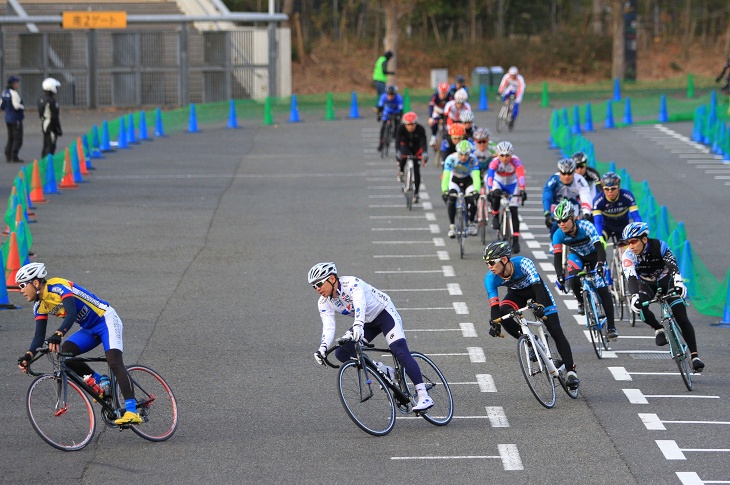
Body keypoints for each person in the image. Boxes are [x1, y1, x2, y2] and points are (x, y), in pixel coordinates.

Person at [15, 262, 143, 425]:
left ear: (35, 283)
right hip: (89, 328)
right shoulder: (39, 306)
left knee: (114, 361)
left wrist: (58, 334)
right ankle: (101, 382)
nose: (21, 290)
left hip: (106, 319)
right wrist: (29, 356)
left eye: (22, 285)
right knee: (66, 355)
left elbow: (71, 313)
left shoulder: (58, 286)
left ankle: (132, 411)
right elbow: (39, 336)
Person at [309, 262, 434, 411]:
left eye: (319, 284)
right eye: (314, 286)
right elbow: (328, 326)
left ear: (332, 278)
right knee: (342, 352)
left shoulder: (351, 283)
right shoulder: (324, 302)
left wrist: (358, 325)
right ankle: (384, 369)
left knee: (399, 350)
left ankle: (423, 395)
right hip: (367, 322)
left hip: (383, 313)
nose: (317, 289)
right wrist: (323, 348)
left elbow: (360, 303)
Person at [483, 241, 580, 389]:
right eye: (487, 263)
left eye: (491, 262)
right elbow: (495, 306)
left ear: (504, 260)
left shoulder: (523, 263)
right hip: (516, 294)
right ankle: (532, 342)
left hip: (536, 291)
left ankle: (571, 371)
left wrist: (540, 306)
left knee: (554, 329)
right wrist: (495, 322)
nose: (489, 266)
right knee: (503, 315)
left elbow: (538, 287)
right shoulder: (490, 278)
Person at [621, 222, 705, 372]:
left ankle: (694, 356)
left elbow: (672, 266)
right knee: (639, 306)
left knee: (681, 315)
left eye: (633, 241)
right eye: (628, 243)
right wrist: (634, 296)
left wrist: (679, 282)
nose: (631, 246)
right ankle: (658, 328)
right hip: (646, 284)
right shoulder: (627, 255)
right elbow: (631, 278)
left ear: (644, 239)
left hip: (667, 280)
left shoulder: (659, 246)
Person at [551, 200, 617, 340]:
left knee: (602, 288)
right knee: (573, 277)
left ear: (574, 218)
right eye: (559, 221)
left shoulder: (586, 226)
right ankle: (581, 301)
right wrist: (559, 275)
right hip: (577, 256)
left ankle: (611, 327)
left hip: (594, 255)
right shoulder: (558, 234)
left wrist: (600, 264)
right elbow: (557, 257)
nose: (562, 224)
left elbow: (599, 248)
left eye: (565, 220)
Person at [485, 141, 526, 254]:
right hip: (499, 183)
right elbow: (490, 177)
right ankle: (495, 215)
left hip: (512, 185)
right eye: (502, 155)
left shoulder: (516, 161)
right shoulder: (494, 162)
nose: (504, 158)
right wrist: (490, 190)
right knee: (496, 195)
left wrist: (522, 189)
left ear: (511, 155)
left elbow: (521, 175)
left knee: (514, 210)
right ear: (498, 155)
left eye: (507, 155)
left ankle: (516, 240)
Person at [542, 158, 592, 237]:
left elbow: (586, 197)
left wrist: (586, 213)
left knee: (576, 224)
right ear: (559, 173)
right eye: (563, 174)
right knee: (555, 224)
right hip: (557, 204)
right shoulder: (554, 179)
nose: (566, 177)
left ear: (573, 172)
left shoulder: (580, 180)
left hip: (573, 205)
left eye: (569, 174)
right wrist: (547, 213)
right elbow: (547, 196)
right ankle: (553, 244)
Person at [441, 140, 480, 238]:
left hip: (468, 180)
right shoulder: (450, 158)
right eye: (461, 154)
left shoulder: (473, 159)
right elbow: (446, 176)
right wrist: (444, 191)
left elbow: (476, 177)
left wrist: (477, 191)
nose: (463, 157)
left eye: (466, 155)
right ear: (457, 153)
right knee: (452, 199)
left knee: (473, 199)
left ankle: (471, 223)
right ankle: (452, 226)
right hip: (455, 180)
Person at [592, 171, 642, 243]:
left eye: (613, 188)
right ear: (603, 188)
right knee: (599, 245)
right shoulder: (598, 200)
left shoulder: (627, 196)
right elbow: (597, 222)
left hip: (623, 226)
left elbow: (636, 217)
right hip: (606, 227)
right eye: (606, 189)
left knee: (627, 249)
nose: (610, 192)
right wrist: (599, 237)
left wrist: (639, 231)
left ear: (619, 187)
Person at [394, 111, 428, 202]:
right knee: (403, 156)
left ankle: (416, 193)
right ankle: (401, 171)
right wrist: (397, 152)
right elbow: (397, 142)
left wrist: (424, 153)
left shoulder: (420, 129)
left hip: (416, 148)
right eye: (408, 125)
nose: (410, 127)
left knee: (417, 171)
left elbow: (423, 143)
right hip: (405, 146)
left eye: (412, 124)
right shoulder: (400, 128)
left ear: (416, 123)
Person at [1, 75, 25, 163]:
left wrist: (7, 109)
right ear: (12, 84)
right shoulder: (13, 93)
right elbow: (16, 106)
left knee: (10, 137)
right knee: (18, 138)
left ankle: (8, 155)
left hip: (8, 118)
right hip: (16, 118)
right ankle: (14, 155)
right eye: (16, 83)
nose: (17, 84)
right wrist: (22, 107)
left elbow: (1, 105)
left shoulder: (4, 92)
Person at [38, 77, 62, 158]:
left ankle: (44, 163)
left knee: (46, 144)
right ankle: (48, 165)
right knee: (50, 145)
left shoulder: (41, 98)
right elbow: (54, 116)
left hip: (44, 123)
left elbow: (41, 113)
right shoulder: (51, 100)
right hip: (50, 125)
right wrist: (58, 128)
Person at [376, 84, 403, 152]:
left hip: (396, 111)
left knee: (398, 124)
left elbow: (401, 110)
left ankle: (395, 135)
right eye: (389, 95)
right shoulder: (383, 97)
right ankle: (381, 143)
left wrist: (399, 116)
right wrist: (379, 115)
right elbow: (380, 107)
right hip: (387, 111)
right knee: (384, 126)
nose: (390, 96)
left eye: (392, 95)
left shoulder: (399, 98)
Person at [427, 82, 453, 147]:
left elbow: (452, 108)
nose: (443, 95)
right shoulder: (434, 96)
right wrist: (430, 117)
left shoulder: (450, 97)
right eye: (441, 93)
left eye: (445, 93)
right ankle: (433, 137)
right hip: (437, 110)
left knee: (448, 124)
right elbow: (431, 107)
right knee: (434, 121)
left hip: (446, 111)